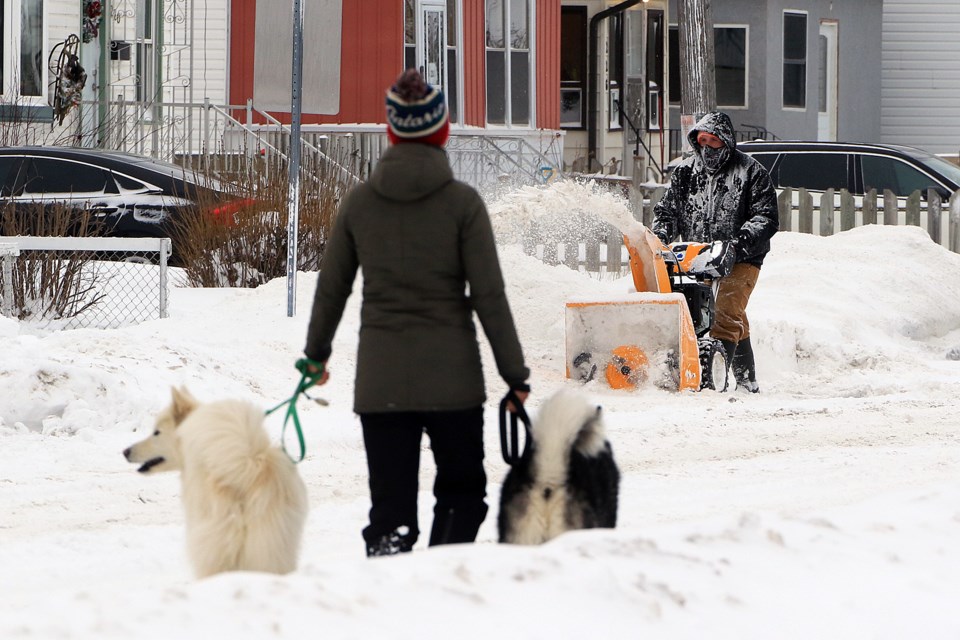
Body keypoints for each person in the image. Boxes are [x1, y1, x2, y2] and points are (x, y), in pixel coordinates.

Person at [301, 68, 531, 557]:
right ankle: (441, 591)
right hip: (454, 384)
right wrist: (515, 375)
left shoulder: (358, 204)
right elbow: (490, 296)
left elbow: (331, 290)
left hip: (381, 384)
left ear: (392, 131)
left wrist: (315, 357)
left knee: (389, 515)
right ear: (441, 130)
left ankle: (390, 600)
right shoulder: (463, 205)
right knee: (463, 496)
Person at [651, 111, 779, 392]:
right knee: (714, 315)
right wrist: (660, 237)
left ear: (726, 141)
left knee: (725, 313)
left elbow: (765, 218)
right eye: (702, 141)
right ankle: (748, 381)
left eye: (713, 141)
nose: (707, 147)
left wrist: (737, 244)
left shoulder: (750, 172)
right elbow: (667, 212)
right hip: (700, 256)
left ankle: (710, 383)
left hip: (743, 255)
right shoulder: (685, 173)